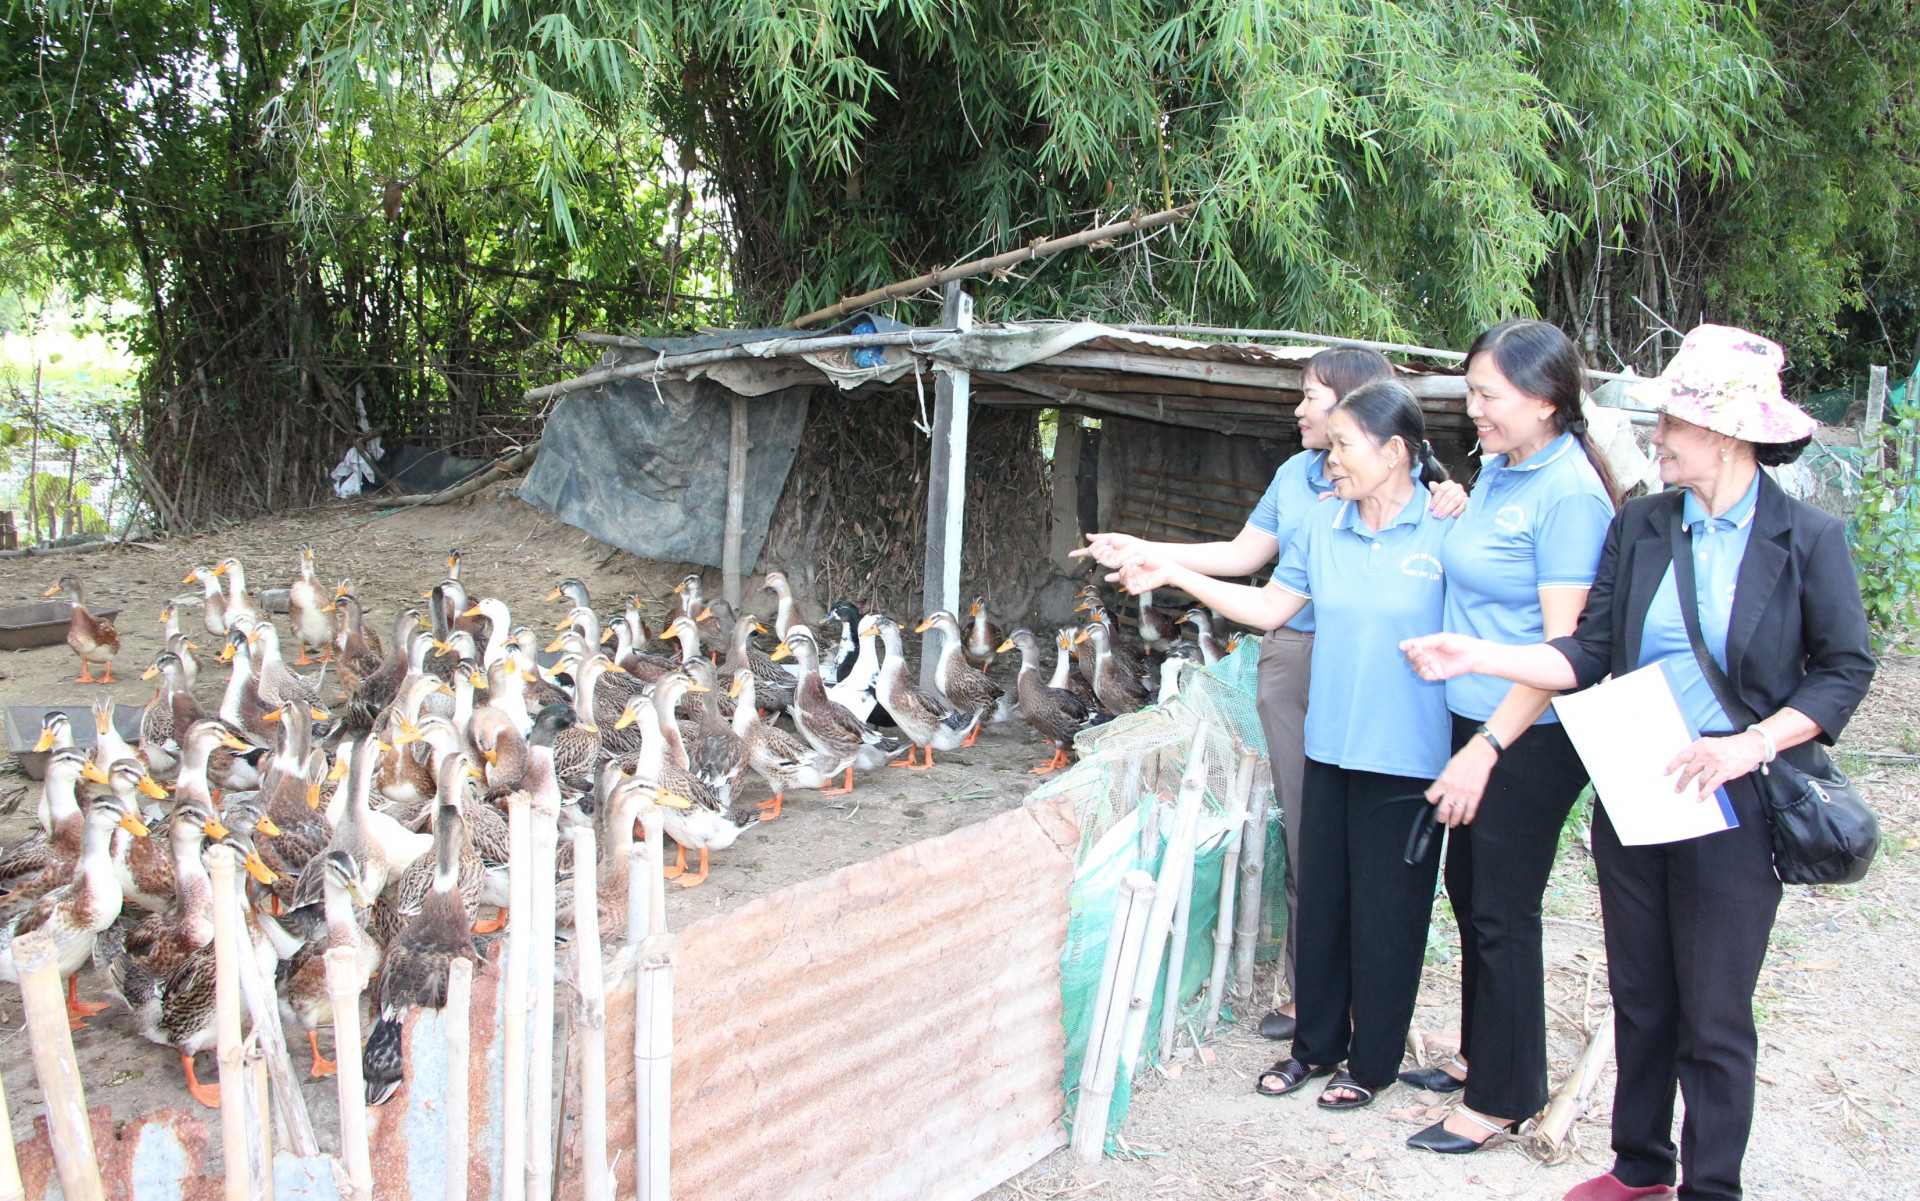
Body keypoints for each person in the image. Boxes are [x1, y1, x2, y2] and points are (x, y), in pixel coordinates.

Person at [1402, 325, 1875, 1200]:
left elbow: (1846, 667)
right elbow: (1584, 652)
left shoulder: (1805, 540)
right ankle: (1640, 1167)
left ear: (1729, 436)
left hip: (1735, 799)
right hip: (1638, 787)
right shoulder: (1647, 523)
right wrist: (1478, 655)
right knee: (1643, 992)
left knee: (1716, 1012)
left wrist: (1754, 742)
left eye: (1676, 422)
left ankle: (1711, 1185)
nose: (1659, 434)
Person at [1074, 346, 1464, 1041]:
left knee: (1373, 840)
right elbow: (1245, 560)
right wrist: (1152, 550)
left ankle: (1368, 1012)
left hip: (1379, 664)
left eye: (1313, 397)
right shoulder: (1297, 481)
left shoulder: (1429, 502)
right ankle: (1311, 990)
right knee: (1310, 827)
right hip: (1295, 650)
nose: (1300, 409)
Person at [1399, 321, 1618, 1154]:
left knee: (1501, 902)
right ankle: (1480, 1053)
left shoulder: (1569, 494)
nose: (1473, 407)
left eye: (1489, 393)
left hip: (1532, 728)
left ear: (1547, 400)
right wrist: (1452, 502)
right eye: (1472, 390)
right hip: (1478, 713)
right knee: (1472, 886)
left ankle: (1503, 1095)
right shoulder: (1500, 468)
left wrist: (1487, 745)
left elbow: (1563, 652)